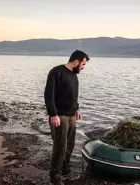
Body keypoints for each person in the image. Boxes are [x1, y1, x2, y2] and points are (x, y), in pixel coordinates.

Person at [44, 50, 89, 185]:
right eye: (82, 64)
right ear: (76, 61)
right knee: (60, 147)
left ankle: (65, 170)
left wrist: (77, 109)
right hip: (60, 116)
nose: (82, 67)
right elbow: (48, 94)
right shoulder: (56, 72)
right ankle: (55, 177)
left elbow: (73, 95)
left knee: (70, 145)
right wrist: (53, 114)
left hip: (71, 116)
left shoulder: (74, 76)